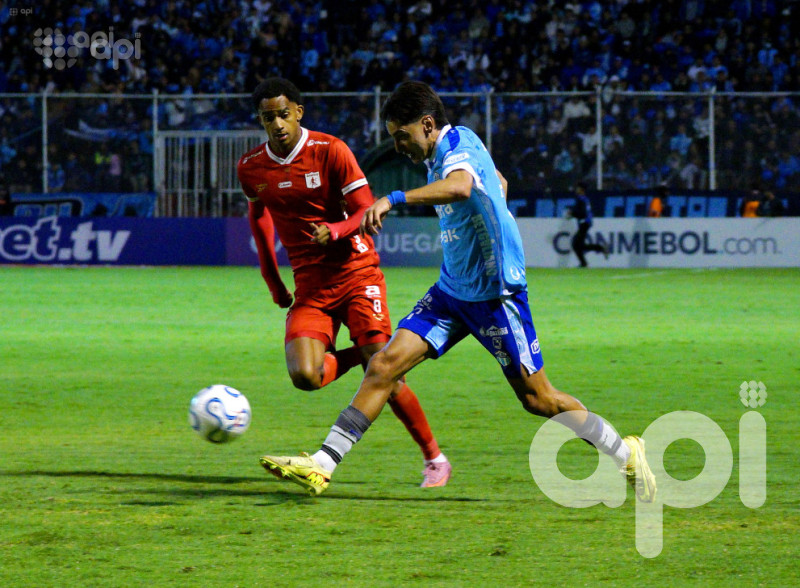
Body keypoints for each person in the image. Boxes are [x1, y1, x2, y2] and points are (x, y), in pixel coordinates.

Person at [259, 81, 656, 502]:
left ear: (428, 125)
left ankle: (624, 451)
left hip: (494, 297)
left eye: (402, 136)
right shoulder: (441, 156)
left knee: (539, 400)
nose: (398, 147)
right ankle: (323, 464)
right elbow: (495, 181)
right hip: (451, 291)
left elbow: (463, 186)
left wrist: (394, 198)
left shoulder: (458, 143)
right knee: (383, 366)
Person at [236, 78, 451, 488]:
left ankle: (435, 458)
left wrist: (336, 231)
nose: (277, 123)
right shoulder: (252, 167)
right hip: (311, 284)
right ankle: (365, 357)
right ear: (260, 121)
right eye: (268, 117)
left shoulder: (330, 151)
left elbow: (365, 209)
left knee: (389, 375)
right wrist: (271, 278)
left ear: (299, 111)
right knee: (305, 376)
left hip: (357, 274)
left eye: (284, 114)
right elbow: (259, 219)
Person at [569, 181, 609, 267]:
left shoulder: (580, 199)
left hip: (584, 223)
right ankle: (584, 262)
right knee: (578, 245)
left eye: (578, 188)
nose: (576, 189)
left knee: (576, 244)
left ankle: (600, 249)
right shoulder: (585, 199)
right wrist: (573, 213)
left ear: (581, 190)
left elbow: (582, 213)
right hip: (586, 223)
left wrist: (572, 214)